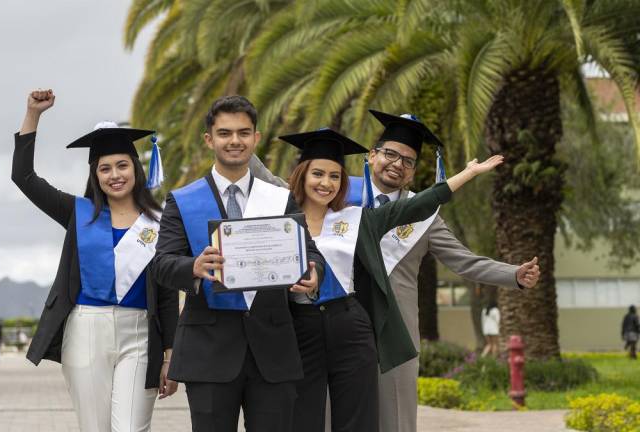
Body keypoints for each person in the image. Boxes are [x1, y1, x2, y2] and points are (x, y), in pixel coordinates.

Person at [251, 128, 503, 431]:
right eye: (317, 174)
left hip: (349, 324)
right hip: (301, 328)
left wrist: (468, 173)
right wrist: (242, 143)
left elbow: (419, 205)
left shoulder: (356, 218)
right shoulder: (283, 221)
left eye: (334, 176)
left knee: (358, 418)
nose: (326, 183)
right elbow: (262, 180)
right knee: (304, 417)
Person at [342, 111, 540, 432]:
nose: (397, 164)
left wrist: (513, 274)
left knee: (395, 421)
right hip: (340, 323)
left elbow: (465, 261)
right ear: (372, 155)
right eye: (390, 154)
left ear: (413, 172)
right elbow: (281, 189)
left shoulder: (425, 216)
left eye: (408, 161)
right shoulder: (335, 196)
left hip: (396, 331)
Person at [151, 95, 326, 432]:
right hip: (209, 350)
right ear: (209, 139)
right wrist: (194, 267)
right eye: (225, 133)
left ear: (256, 138)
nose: (235, 141)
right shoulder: (183, 199)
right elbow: (161, 264)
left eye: (244, 133)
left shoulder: (279, 197)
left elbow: (311, 252)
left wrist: (314, 273)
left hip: (273, 349)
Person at [12, 89, 179, 432]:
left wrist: (170, 355)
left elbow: (165, 294)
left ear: (135, 169)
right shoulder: (77, 213)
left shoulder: (160, 221)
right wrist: (33, 115)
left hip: (140, 335)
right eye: (105, 168)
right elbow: (24, 178)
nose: (114, 174)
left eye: (122, 165)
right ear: (96, 175)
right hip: (86, 332)